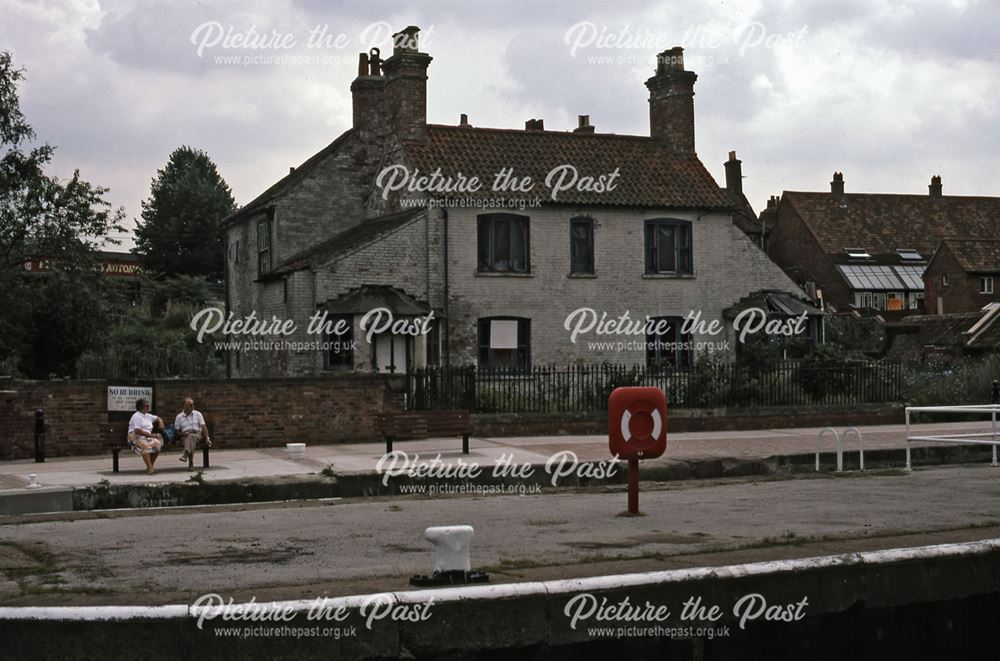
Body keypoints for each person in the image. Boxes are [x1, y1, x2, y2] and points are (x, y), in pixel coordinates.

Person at [128, 398, 164, 475]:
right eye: (146, 406)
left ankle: (150, 466)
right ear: (141, 407)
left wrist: (160, 422)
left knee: (158, 443)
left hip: (146, 437)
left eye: (148, 405)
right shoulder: (136, 416)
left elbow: (158, 418)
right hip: (135, 437)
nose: (148, 407)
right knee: (145, 445)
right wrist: (151, 435)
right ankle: (150, 467)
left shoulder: (148, 416)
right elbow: (137, 431)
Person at [174, 397, 212, 467]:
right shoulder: (179, 417)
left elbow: (203, 427)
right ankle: (190, 463)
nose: (193, 406)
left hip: (197, 434)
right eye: (190, 405)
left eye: (193, 404)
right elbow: (176, 431)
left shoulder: (198, 414)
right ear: (184, 406)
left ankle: (186, 455)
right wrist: (184, 433)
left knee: (191, 437)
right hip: (185, 436)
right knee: (190, 439)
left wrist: (207, 438)